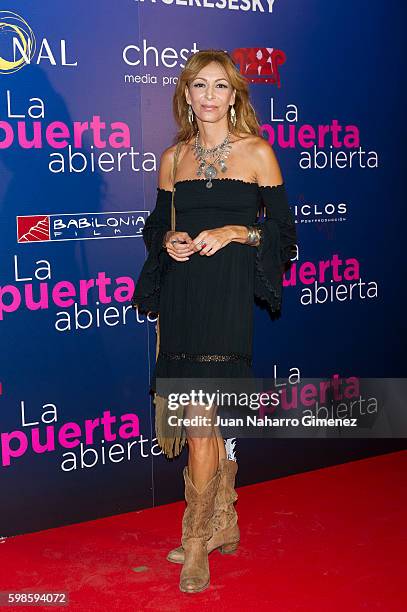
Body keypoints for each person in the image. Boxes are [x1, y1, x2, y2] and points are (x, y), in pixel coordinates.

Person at [132, 49, 297, 594]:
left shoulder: (257, 154)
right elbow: (156, 227)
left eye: (220, 87)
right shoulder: (172, 158)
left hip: (226, 302)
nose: (208, 96)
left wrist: (235, 232)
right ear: (186, 94)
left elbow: (283, 238)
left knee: (202, 422)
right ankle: (222, 518)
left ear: (235, 96)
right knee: (201, 421)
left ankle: (196, 537)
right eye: (199, 86)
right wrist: (169, 241)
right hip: (183, 298)